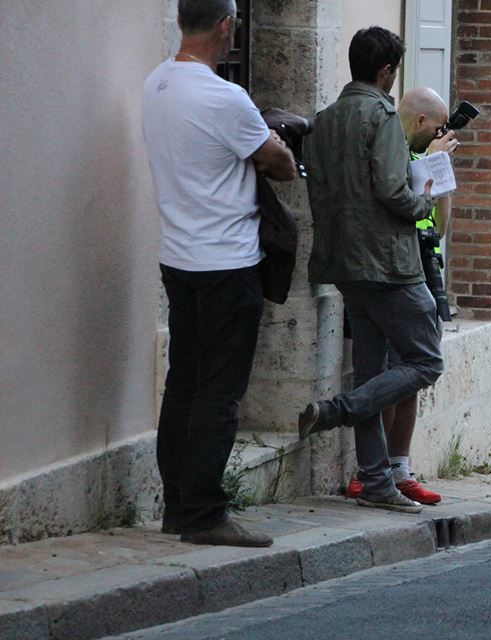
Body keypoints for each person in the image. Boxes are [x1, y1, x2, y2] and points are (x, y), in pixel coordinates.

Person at [142, 0, 297, 546]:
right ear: (227, 25)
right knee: (220, 393)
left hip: (179, 258)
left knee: (183, 385)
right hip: (228, 262)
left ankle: (177, 507)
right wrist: (273, 145)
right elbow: (279, 165)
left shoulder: (156, 84)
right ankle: (205, 513)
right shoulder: (225, 96)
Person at [298, 26, 444, 514]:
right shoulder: (380, 115)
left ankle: (377, 482)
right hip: (389, 263)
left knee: (370, 366)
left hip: (343, 260)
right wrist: (423, 201)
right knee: (426, 361)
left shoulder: (326, 118)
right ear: (385, 72)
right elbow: (391, 190)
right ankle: (337, 411)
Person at [354, 86, 459, 505]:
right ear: (419, 122)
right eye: (437, 126)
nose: (442, 132)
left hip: (423, 272)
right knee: (383, 373)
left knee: (411, 375)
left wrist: (440, 171)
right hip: (390, 275)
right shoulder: (391, 154)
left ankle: (399, 467)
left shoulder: (423, 156)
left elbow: (441, 226)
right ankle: (372, 471)